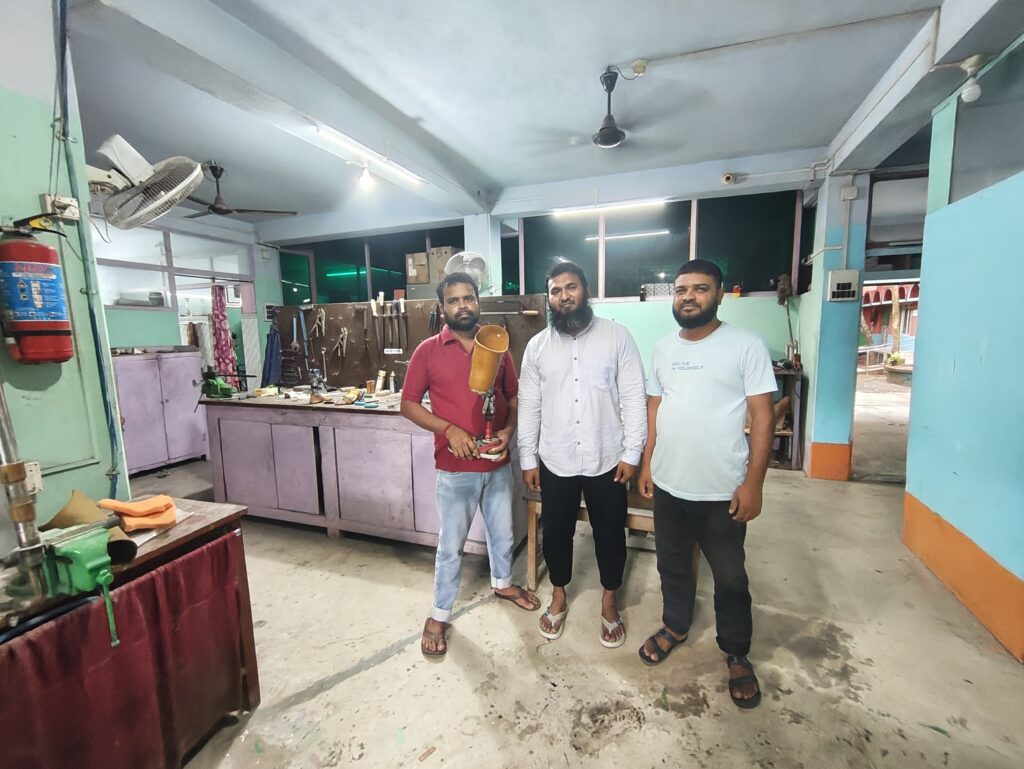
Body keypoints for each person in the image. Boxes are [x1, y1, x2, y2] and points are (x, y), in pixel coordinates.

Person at [637, 258, 776, 709]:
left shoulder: (745, 345)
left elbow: (762, 416)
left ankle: (736, 652)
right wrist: (647, 465)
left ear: (719, 294)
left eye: (700, 289)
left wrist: (753, 483)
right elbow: (654, 409)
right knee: (672, 565)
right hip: (669, 483)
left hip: (721, 488)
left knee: (731, 577)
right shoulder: (662, 349)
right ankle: (675, 625)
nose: (689, 297)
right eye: (681, 290)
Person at [401, 272, 540, 657]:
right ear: (442, 307)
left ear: (478, 301)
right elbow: (408, 404)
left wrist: (508, 432)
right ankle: (439, 614)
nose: (462, 305)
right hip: (455, 467)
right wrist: (449, 430)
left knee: (503, 532)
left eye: (469, 298)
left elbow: (513, 397)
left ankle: (502, 583)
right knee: (451, 545)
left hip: (496, 463)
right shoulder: (428, 351)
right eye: (454, 300)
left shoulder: (498, 346)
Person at [518, 261, 647, 647]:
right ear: (549, 299)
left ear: (586, 290)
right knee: (557, 532)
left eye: (570, 287)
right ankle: (559, 595)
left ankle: (609, 599)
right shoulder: (537, 348)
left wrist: (632, 452)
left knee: (610, 532)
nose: (564, 296)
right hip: (555, 457)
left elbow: (633, 397)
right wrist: (528, 458)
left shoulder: (617, 337)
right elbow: (529, 406)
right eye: (555, 291)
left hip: (607, 457)